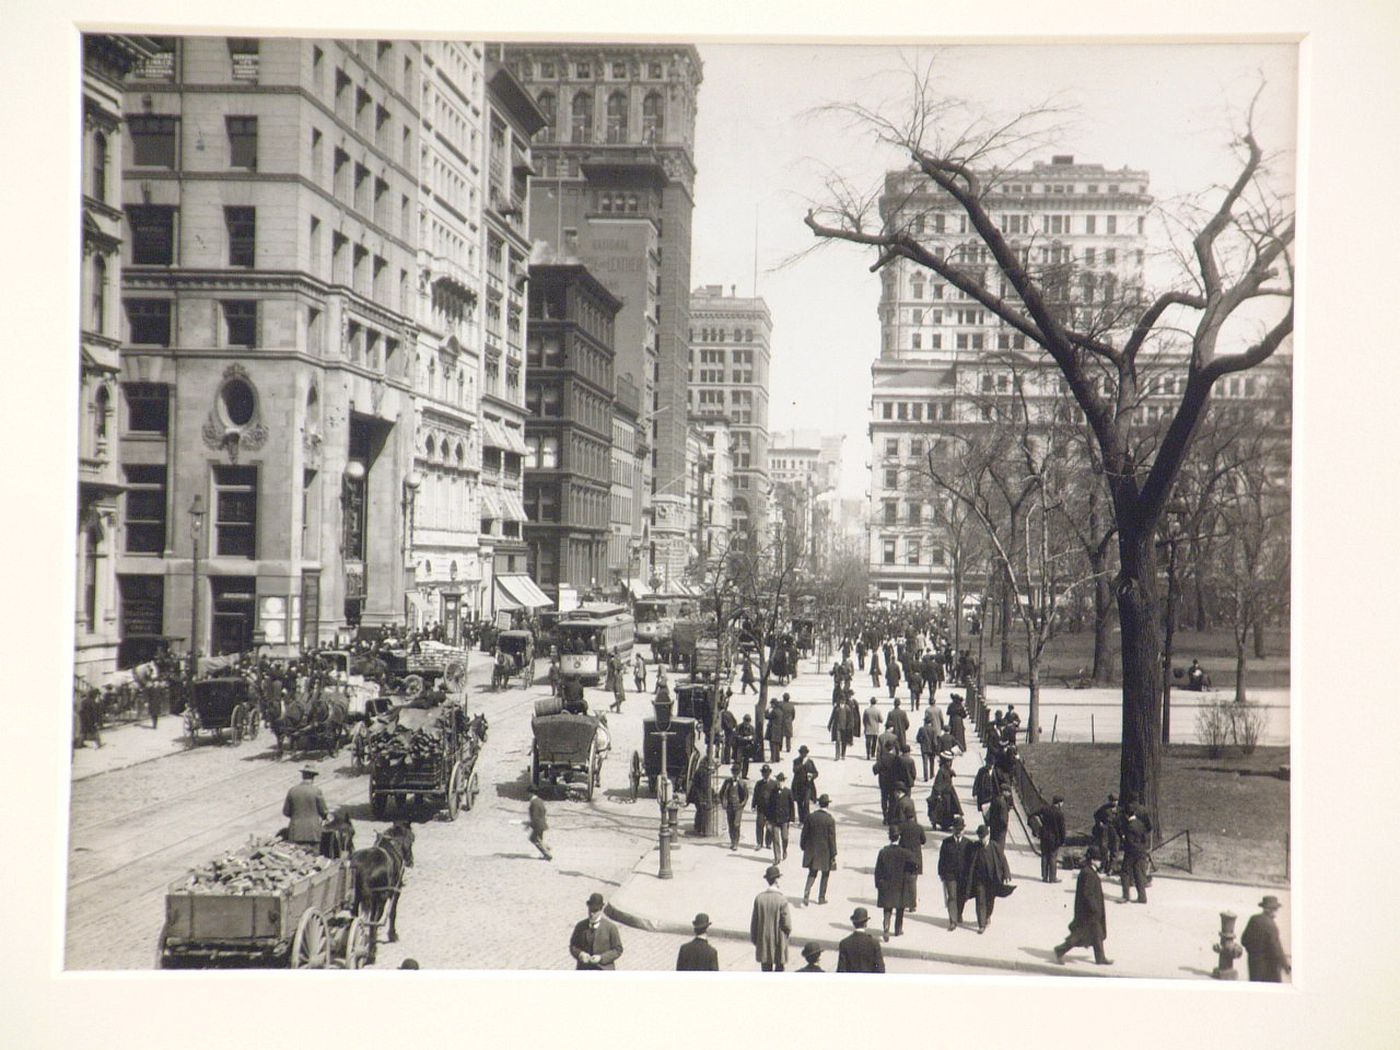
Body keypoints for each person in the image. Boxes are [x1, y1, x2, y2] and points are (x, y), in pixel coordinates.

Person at [1054, 848, 1113, 965]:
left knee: (1097, 933)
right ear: (1092, 861)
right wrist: (1094, 908)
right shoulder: (1088, 873)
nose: (1100, 862)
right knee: (1078, 935)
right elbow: (1087, 894)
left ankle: (1100, 958)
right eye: (1098, 860)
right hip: (1088, 912)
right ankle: (1060, 950)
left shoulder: (1089, 871)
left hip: (1092, 911)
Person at [964, 824, 1014, 933]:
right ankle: (981, 924)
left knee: (990, 901)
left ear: (988, 836)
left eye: (984, 837)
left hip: (992, 880)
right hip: (979, 880)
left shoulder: (994, 846)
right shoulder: (975, 847)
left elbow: (1003, 860)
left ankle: (987, 916)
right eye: (980, 837)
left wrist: (1006, 874)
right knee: (980, 901)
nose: (982, 839)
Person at [875, 825, 918, 941]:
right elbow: (914, 866)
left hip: (887, 885)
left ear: (889, 837)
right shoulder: (906, 853)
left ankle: (886, 928)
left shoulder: (883, 852)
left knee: (887, 909)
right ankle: (898, 930)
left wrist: (878, 885)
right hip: (901, 885)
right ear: (899, 837)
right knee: (900, 908)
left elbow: (878, 870)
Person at [749, 865, 791, 972]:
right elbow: (787, 924)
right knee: (779, 969)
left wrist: (755, 940)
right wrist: (786, 936)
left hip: (763, 940)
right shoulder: (782, 900)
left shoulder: (759, 899)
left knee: (766, 970)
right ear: (776, 880)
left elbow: (754, 923)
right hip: (778, 941)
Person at [1240, 896, 1291, 982]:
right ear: (1272, 910)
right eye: (1276, 909)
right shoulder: (1271, 926)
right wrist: (1286, 966)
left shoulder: (1253, 919)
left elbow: (1244, 940)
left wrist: (1254, 952)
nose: (1276, 912)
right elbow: (1276, 949)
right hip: (1269, 969)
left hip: (1253, 964)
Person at [800, 794, 838, 906]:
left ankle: (806, 892)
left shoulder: (810, 817)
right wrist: (833, 854)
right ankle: (821, 898)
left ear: (819, 804)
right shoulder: (830, 820)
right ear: (828, 805)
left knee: (812, 873)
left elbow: (804, 834)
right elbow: (832, 839)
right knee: (825, 874)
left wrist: (803, 846)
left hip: (812, 850)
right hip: (825, 852)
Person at [570, 892, 624, 970]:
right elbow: (573, 946)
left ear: (600, 910)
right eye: (590, 910)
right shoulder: (580, 926)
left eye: (595, 911)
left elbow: (618, 950)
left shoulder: (610, 928)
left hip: (604, 970)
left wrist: (601, 958)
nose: (592, 914)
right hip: (584, 969)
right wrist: (580, 954)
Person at [1118, 793, 1152, 904]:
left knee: (1125, 872)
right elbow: (1147, 832)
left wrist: (1123, 840)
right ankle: (1142, 897)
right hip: (1141, 850)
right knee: (1139, 873)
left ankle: (1125, 895)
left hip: (1131, 851)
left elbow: (1129, 842)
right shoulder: (1140, 823)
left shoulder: (1129, 826)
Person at [938, 818, 970, 930]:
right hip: (949, 875)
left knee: (961, 897)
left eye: (960, 829)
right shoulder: (946, 842)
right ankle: (953, 920)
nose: (958, 831)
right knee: (951, 897)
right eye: (956, 829)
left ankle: (959, 913)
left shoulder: (968, 843)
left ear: (963, 830)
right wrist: (941, 873)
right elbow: (941, 859)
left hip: (963, 876)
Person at [283, 767, 328, 847]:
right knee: (313, 857)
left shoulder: (292, 790)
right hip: (313, 833)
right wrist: (324, 816)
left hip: (295, 832)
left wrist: (296, 815)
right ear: (313, 777)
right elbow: (324, 811)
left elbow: (286, 812)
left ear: (302, 776)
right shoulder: (316, 791)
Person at [837, 907, 885, 973]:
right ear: (865, 924)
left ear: (853, 923)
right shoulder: (874, 943)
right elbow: (880, 969)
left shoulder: (845, 943)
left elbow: (841, 969)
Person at [1032, 795, 1068, 883]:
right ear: (1059, 803)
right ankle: (1052, 877)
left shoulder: (1045, 809)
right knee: (1052, 857)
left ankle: (1044, 876)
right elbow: (1062, 829)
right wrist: (1063, 840)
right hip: (1054, 838)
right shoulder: (1059, 814)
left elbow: (1033, 814)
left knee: (1044, 856)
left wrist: (1038, 824)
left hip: (1044, 836)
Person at [767, 772, 797, 864]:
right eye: (778, 781)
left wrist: (792, 819)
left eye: (781, 781)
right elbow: (770, 806)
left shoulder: (788, 792)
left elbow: (792, 806)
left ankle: (784, 850)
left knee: (785, 837)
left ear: (784, 781)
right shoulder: (773, 792)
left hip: (785, 819)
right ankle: (777, 857)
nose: (779, 783)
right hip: (774, 819)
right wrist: (768, 820)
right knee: (775, 839)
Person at [927, 755, 963, 831]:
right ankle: (943, 824)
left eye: (950, 761)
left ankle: (946, 824)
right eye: (948, 761)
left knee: (949, 809)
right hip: (943, 794)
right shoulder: (941, 771)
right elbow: (938, 783)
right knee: (942, 810)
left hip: (949, 793)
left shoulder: (947, 769)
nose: (950, 763)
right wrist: (938, 794)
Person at [719, 763, 750, 850]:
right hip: (729, 806)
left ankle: (736, 842)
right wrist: (723, 802)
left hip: (738, 807)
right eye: (733, 772)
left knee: (736, 824)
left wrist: (742, 804)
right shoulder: (727, 782)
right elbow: (721, 793)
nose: (735, 774)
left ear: (739, 772)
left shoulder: (742, 783)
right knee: (731, 824)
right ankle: (732, 841)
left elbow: (746, 795)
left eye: (737, 772)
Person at [791, 746, 819, 824]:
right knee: (799, 803)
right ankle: (801, 820)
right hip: (798, 785)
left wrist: (812, 776)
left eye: (805, 753)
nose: (803, 754)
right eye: (802, 753)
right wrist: (802, 764)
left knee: (806, 803)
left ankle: (807, 820)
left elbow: (816, 772)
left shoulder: (810, 762)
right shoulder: (796, 761)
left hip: (808, 785)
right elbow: (795, 770)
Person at [751, 764, 775, 852]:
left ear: (769, 773)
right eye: (764, 773)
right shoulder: (759, 783)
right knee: (759, 825)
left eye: (767, 773)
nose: (765, 774)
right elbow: (755, 795)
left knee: (769, 826)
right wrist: (753, 805)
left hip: (770, 809)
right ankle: (759, 843)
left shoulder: (773, 784)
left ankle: (768, 843)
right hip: (761, 808)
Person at [916, 711, 940, 781]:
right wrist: (936, 749)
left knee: (925, 763)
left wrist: (921, 742)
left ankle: (926, 777)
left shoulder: (921, 729)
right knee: (932, 762)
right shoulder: (933, 730)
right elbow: (935, 740)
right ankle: (932, 774)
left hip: (924, 748)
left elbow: (918, 738)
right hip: (932, 748)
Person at [828, 697, 853, 761]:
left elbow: (850, 719)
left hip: (845, 728)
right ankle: (837, 756)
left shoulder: (847, 708)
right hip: (837, 727)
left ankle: (843, 754)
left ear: (844, 702)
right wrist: (829, 724)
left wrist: (850, 726)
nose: (841, 703)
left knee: (844, 742)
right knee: (838, 741)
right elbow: (832, 716)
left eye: (843, 701)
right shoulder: (836, 708)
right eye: (841, 701)